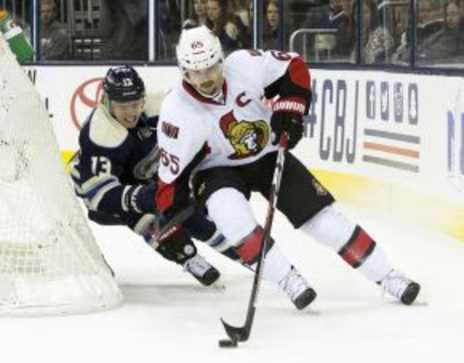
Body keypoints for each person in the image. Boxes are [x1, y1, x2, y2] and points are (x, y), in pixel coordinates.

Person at [156, 26, 421, 310]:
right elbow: (170, 182)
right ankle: (288, 280)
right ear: (184, 71)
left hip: (269, 154)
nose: (206, 78)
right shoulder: (176, 112)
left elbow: (294, 66)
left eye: (211, 67)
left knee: (324, 221)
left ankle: (387, 275)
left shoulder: (245, 64)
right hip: (216, 171)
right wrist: (168, 225)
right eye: (197, 72)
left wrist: (291, 111)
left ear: (221, 59)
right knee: (232, 219)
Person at [69, 65, 222, 287]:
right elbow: (99, 197)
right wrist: (145, 197)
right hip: (103, 191)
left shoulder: (157, 105)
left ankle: (245, 252)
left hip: (139, 175)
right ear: (107, 102)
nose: (132, 112)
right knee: (150, 222)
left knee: (194, 214)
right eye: (123, 105)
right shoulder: (99, 131)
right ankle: (187, 256)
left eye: (136, 103)